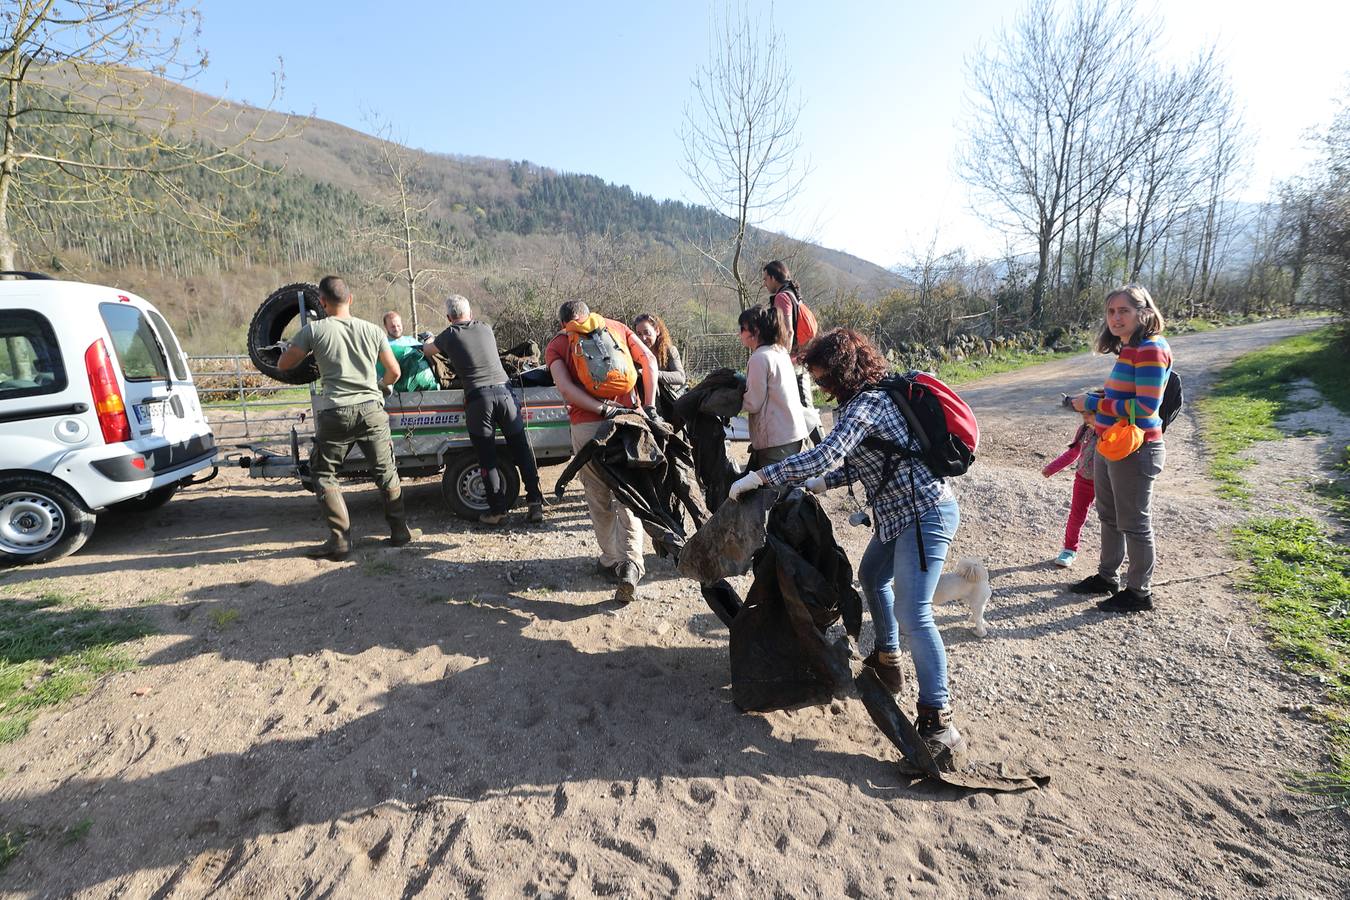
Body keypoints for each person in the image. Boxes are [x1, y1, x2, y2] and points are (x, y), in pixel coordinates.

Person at [725, 328, 967, 770]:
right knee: (873, 577)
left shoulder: (870, 402)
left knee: (916, 612)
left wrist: (763, 476)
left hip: (923, 515)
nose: (820, 387)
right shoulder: (866, 402)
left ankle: (939, 721)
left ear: (841, 371)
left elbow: (823, 455)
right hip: (896, 517)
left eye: (822, 378)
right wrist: (823, 483)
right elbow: (862, 463)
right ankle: (888, 659)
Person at [277, 276, 413, 560]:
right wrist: (381, 388)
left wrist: (298, 349)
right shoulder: (373, 330)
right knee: (386, 472)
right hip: (371, 410)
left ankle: (340, 541)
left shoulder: (314, 331)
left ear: (323, 303)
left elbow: (284, 364)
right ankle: (400, 533)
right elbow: (395, 372)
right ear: (350, 299)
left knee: (324, 473)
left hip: (335, 412)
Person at [546, 300, 660, 603]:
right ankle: (632, 562)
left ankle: (610, 558)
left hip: (587, 427)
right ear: (589, 314)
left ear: (563, 323)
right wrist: (648, 406)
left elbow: (567, 389)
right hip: (629, 421)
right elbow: (648, 360)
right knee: (629, 492)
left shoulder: (558, 344)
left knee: (598, 494)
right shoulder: (617, 328)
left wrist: (602, 409)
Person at [1068, 284, 1173, 613]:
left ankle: (1139, 593)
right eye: (1111, 311)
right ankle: (1107, 577)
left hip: (1137, 448)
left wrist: (1093, 404)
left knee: (1135, 523)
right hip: (1111, 444)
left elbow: (1144, 407)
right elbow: (1125, 396)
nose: (1115, 317)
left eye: (1123, 310)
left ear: (1143, 313)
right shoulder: (1130, 348)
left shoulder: (1151, 350)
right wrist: (1098, 401)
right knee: (1109, 515)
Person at [421, 294, 544, 525]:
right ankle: (535, 503)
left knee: (487, 458)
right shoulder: (485, 328)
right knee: (521, 449)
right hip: (506, 395)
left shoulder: (449, 334)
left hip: (479, 400)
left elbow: (428, 351)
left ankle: (498, 512)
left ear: (449, 317)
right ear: (470, 314)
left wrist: (428, 339)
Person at [738, 304, 808, 471]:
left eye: (742, 329)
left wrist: (725, 402)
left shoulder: (759, 358)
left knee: (774, 495)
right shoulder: (780, 352)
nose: (739, 333)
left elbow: (753, 403)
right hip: (794, 436)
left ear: (755, 331)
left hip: (776, 444)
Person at [762, 260, 824, 445]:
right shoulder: (793, 294)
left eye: (766, 279)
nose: (764, 283)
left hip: (793, 361)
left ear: (774, 278)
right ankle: (817, 450)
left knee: (804, 408)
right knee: (804, 407)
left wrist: (783, 358)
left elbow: (788, 330)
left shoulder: (782, 297)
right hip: (800, 357)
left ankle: (823, 451)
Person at [1042, 391, 1103, 568]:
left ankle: (1114, 557)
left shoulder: (1112, 432)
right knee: (1076, 516)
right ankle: (1069, 550)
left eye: (1089, 414)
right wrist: (1052, 468)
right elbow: (1073, 453)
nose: (1084, 418)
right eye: (1083, 414)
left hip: (1107, 482)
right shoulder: (1084, 430)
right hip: (1083, 480)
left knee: (1112, 519)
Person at [631, 313, 687, 407]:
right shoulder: (635, 353)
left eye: (647, 332)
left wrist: (651, 373)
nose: (643, 338)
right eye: (639, 334)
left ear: (657, 331)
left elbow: (680, 377)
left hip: (670, 399)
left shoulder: (669, 350)